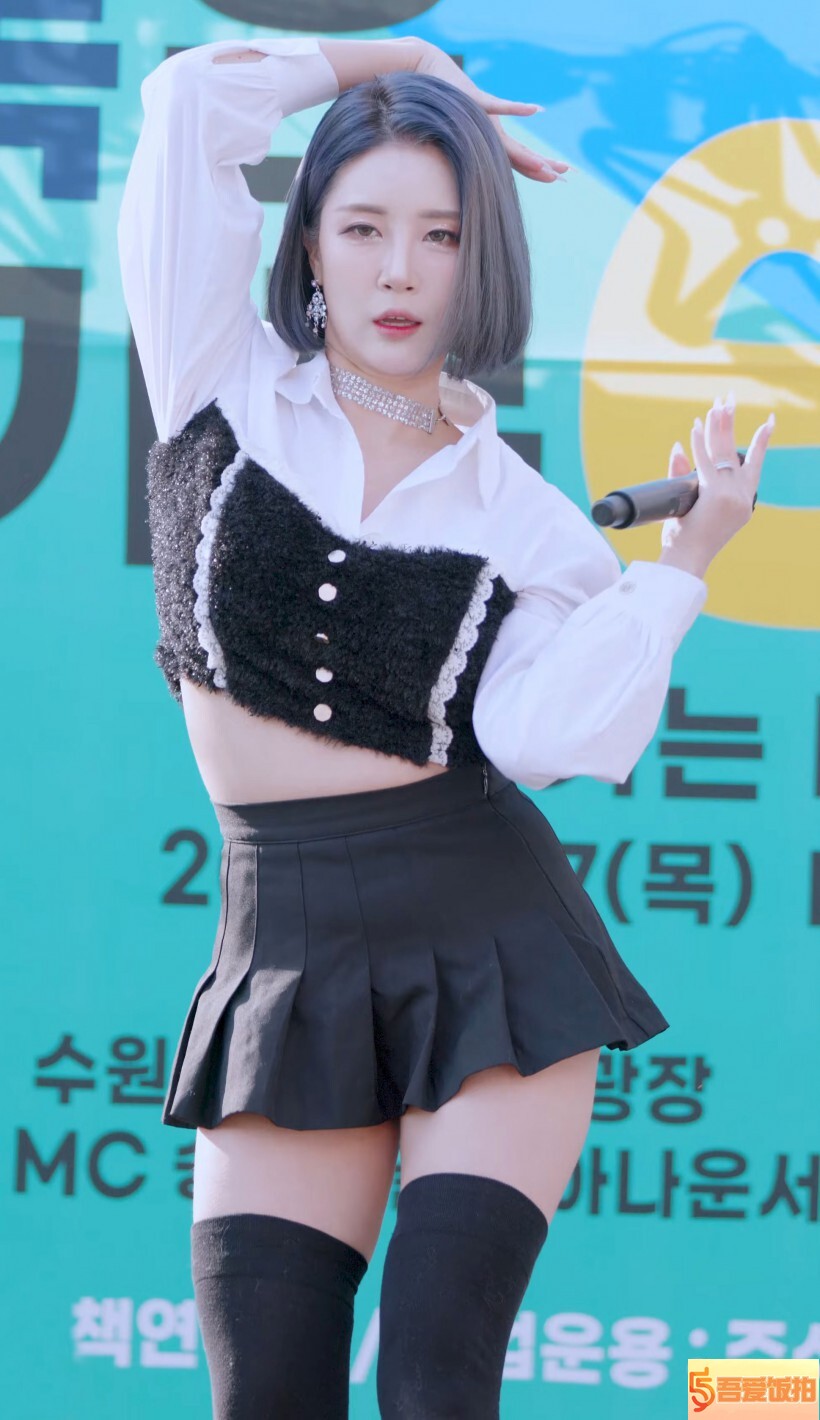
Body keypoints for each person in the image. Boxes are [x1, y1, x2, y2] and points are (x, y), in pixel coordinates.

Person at [117, 31, 773, 1420]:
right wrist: (393, 56)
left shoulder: (524, 519)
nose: (400, 271)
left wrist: (684, 565)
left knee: (431, 1382)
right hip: (283, 945)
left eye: (442, 234)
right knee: (267, 1392)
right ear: (309, 242)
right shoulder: (217, 373)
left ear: (486, 263)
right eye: (364, 228)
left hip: (485, 946)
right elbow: (184, 102)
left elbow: (544, 736)